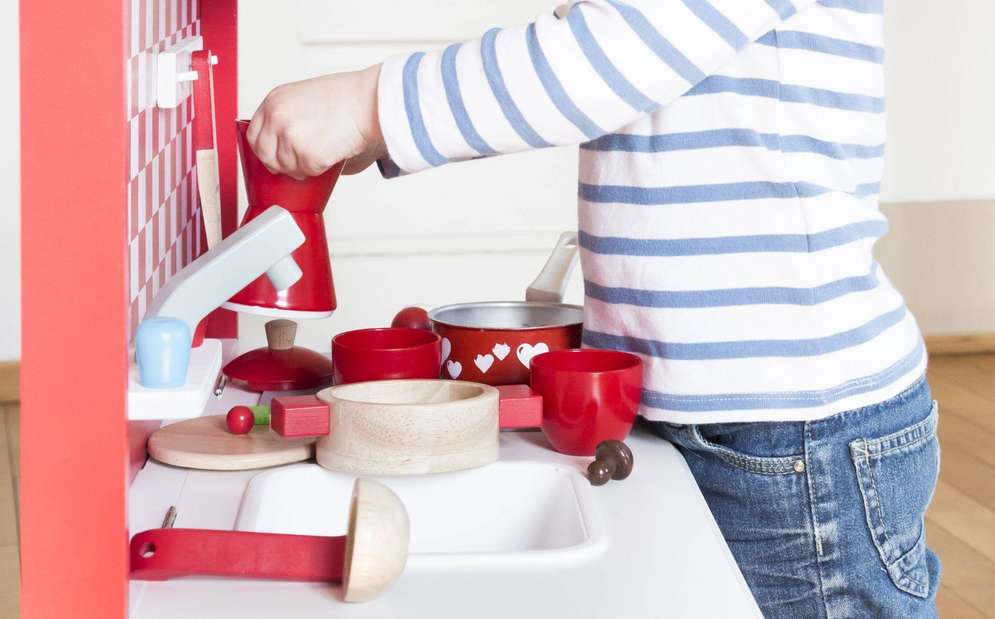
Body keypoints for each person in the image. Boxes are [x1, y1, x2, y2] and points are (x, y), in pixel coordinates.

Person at [247, 1, 940, 616]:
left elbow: (604, 60)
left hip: (796, 430)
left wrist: (373, 104)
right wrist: (382, 126)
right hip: (723, 415)